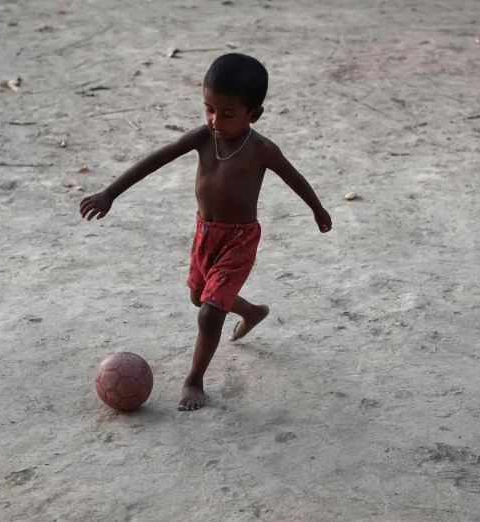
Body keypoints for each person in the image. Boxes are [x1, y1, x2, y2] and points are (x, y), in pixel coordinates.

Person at [80, 53, 332, 411]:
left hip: (239, 240)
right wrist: (110, 193)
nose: (216, 121)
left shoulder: (261, 150)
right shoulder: (202, 137)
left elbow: (294, 178)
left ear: (254, 114)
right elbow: (157, 158)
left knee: (210, 312)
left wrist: (317, 208)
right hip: (205, 233)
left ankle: (194, 381)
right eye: (209, 109)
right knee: (200, 298)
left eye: (228, 114)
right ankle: (251, 311)